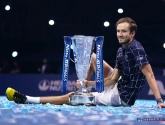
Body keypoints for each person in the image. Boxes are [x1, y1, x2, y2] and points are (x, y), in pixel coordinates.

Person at [5, 17, 165, 108]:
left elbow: (150, 74)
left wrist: (159, 101)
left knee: (71, 97)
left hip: (120, 97)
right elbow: (112, 79)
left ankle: (27, 99)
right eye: (118, 31)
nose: (120, 34)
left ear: (132, 33)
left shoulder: (136, 48)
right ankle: (83, 87)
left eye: (124, 31)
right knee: (94, 57)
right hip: (118, 84)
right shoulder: (121, 50)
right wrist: (87, 83)